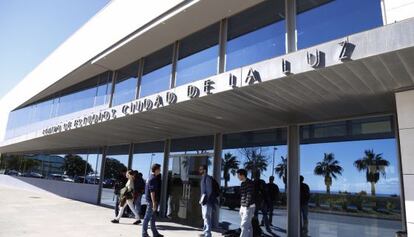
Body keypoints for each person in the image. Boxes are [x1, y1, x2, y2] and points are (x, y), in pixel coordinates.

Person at [142, 163, 164, 237]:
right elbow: (152, 192)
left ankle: (155, 233)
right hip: (151, 201)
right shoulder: (153, 178)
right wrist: (154, 203)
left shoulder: (150, 177)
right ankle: (144, 234)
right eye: (159, 169)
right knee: (147, 218)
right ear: (156, 170)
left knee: (153, 218)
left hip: (151, 201)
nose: (160, 171)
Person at [198, 165, 218, 237]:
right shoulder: (203, 178)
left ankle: (208, 234)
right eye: (199, 169)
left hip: (207, 201)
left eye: (201, 169)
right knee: (205, 217)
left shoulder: (207, 178)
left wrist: (206, 199)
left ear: (205, 170)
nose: (199, 170)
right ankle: (205, 232)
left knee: (207, 217)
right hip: (203, 201)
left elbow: (209, 191)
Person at [237, 169, 255, 237]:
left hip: (249, 207)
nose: (237, 177)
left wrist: (246, 206)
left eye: (238, 175)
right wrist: (241, 206)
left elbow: (249, 195)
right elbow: (242, 195)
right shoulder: (242, 183)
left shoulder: (250, 183)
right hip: (243, 206)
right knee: (248, 225)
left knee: (244, 225)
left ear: (242, 175)